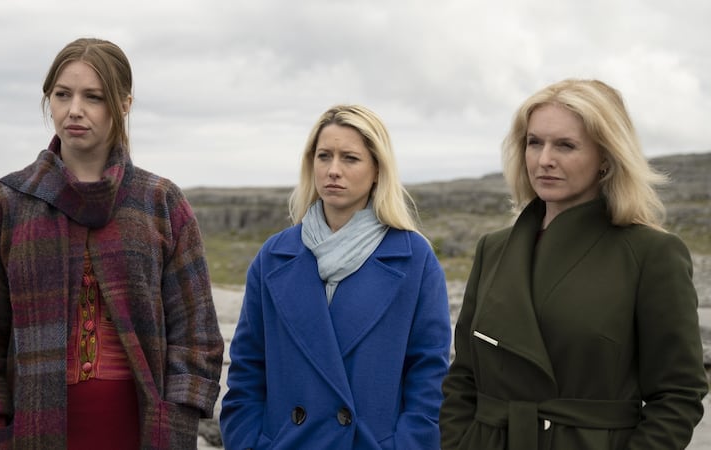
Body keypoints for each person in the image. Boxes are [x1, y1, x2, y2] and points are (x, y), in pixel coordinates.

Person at [0, 38, 224, 449]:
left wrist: (177, 418)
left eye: (93, 97)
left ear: (124, 104)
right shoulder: (8, 202)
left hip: (144, 435)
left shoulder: (160, 202)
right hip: (32, 436)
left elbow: (196, 334)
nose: (74, 110)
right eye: (62, 94)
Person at [439, 78, 708, 449]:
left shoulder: (651, 253)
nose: (544, 159)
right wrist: (457, 442)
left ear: (606, 157)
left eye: (565, 145)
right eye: (535, 142)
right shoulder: (494, 249)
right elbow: (463, 376)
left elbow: (679, 394)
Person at [219, 104, 452, 449]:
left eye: (350, 159)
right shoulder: (274, 256)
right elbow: (247, 371)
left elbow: (428, 376)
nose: (333, 170)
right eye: (324, 156)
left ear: (377, 169)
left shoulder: (414, 259)